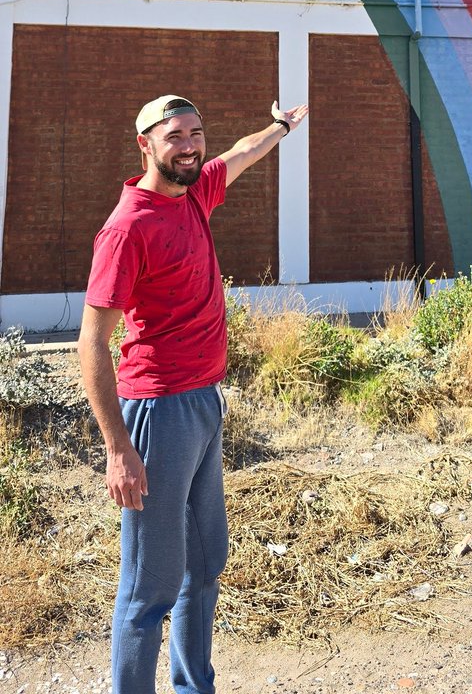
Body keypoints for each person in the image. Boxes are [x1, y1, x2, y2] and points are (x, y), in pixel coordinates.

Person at [78, 93, 309, 694]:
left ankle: (193, 687)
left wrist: (279, 127)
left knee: (204, 567)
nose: (189, 146)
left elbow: (241, 154)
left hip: (204, 401)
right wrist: (118, 448)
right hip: (158, 410)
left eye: (195, 134)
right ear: (146, 145)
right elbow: (91, 342)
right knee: (149, 586)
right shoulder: (128, 228)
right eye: (175, 136)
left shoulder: (196, 192)